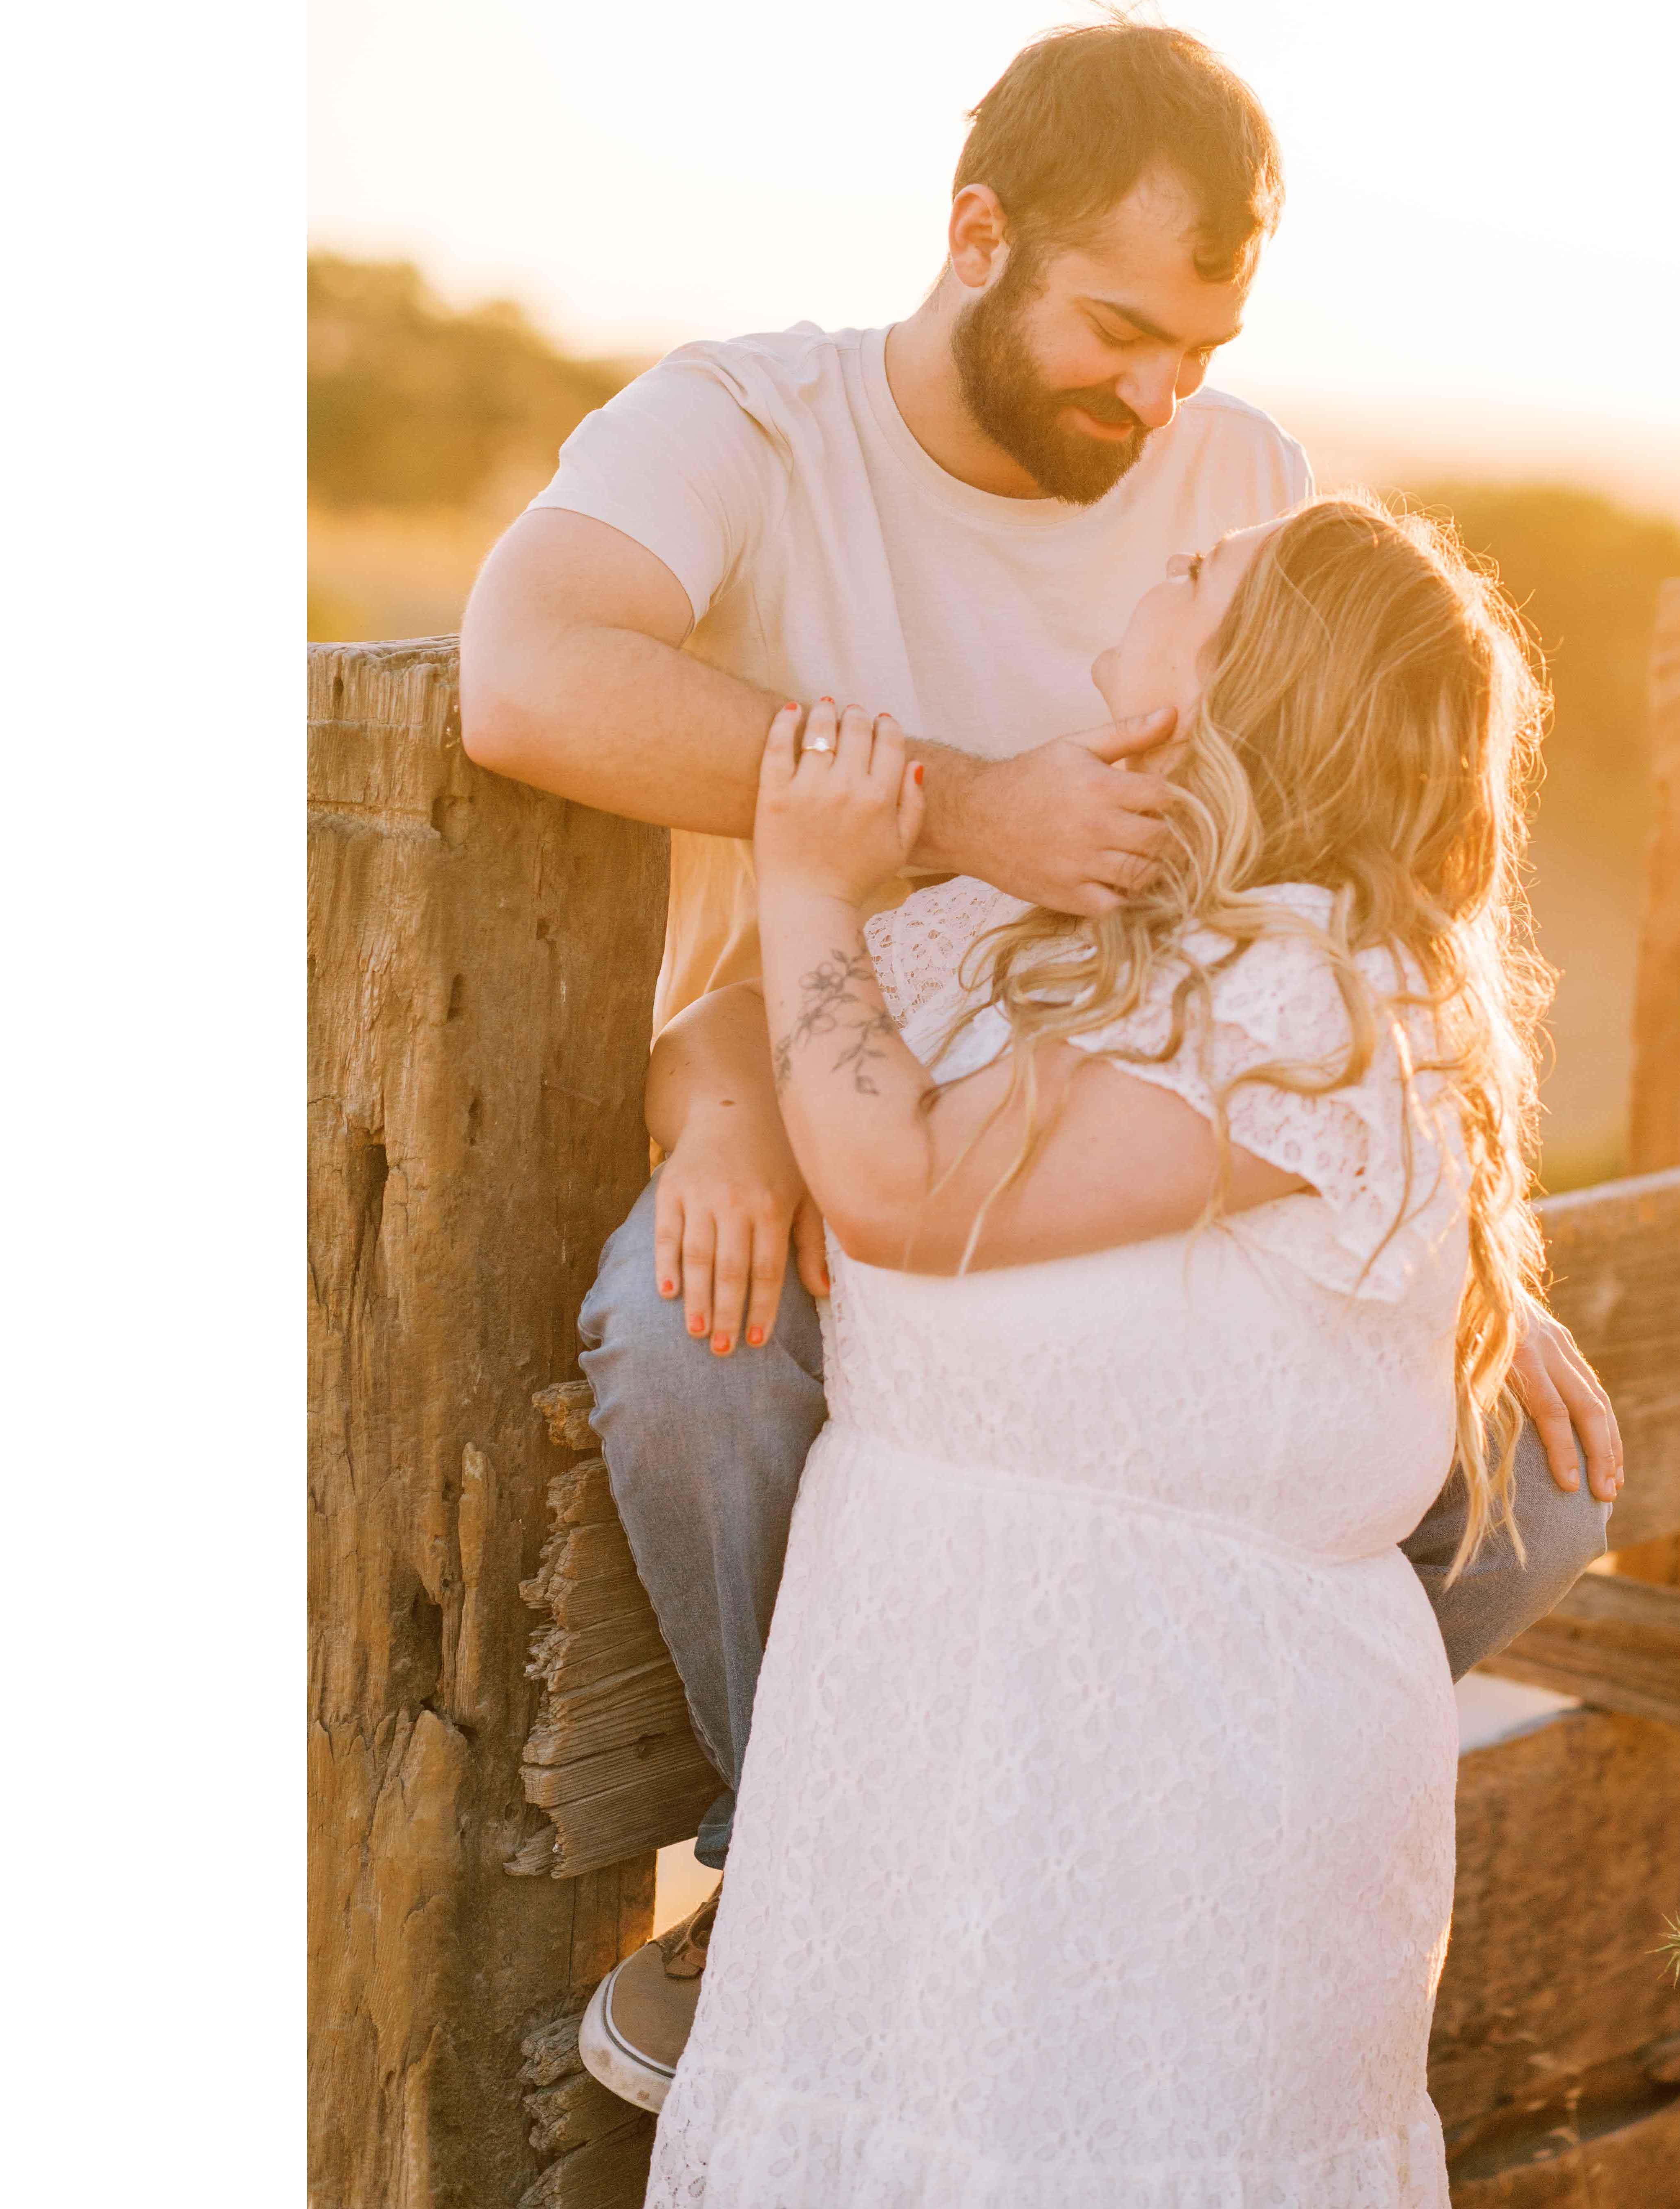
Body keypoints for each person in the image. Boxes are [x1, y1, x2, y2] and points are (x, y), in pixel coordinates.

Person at [456, 14, 1624, 2108]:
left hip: (1156, 1135)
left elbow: (1332, 867)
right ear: (978, 232)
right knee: (692, 1341)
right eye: (1121, 329)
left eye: (1205, 345)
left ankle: (1121, 1845)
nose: (1165, 398)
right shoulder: (748, 427)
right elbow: (522, 677)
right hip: (805, 1106)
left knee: (1528, 1473)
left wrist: (1426, 1237)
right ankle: (812, 1877)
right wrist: (964, 809)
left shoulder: (1232, 484)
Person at [645, 497, 1605, 2207]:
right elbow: (750, 1035)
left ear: (1257, 677)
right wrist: (727, 1117)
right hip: (925, 1704)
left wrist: (805, 880)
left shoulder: (1311, 989)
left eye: (1205, 574)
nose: (1169, 563)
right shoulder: (1052, 925)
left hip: (1173, 1762)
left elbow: (900, 1186)